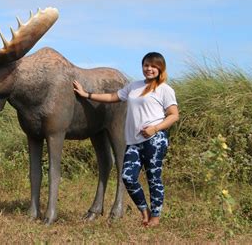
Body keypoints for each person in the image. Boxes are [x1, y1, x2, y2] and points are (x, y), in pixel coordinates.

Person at [73, 52, 179, 227]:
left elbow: (174, 115)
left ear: (160, 68)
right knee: (127, 177)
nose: (149, 69)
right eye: (146, 65)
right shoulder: (134, 86)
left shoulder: (164, 89)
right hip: (134, 141)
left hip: (155, 140)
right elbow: (113, 97)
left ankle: (155, 217)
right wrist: (88, 95)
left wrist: (155, 128)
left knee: (154, 178)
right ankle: (144, 210)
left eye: (154, 66)